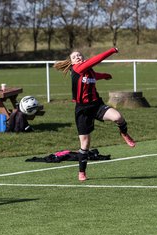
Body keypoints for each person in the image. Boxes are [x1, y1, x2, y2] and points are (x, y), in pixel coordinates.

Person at [54, 47, 136, 181]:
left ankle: (124, 133)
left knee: (118, 117)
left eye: (79, 55)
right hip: (82, 110)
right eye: (75, 57)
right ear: (72, 62)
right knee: (85, 144)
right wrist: (112, 50)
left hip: (97, 105)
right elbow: (97, 59)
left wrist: (105, 76)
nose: (78, 57)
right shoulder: (77, 69)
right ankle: (82, 172)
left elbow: (96, 75)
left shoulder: (89, 72)